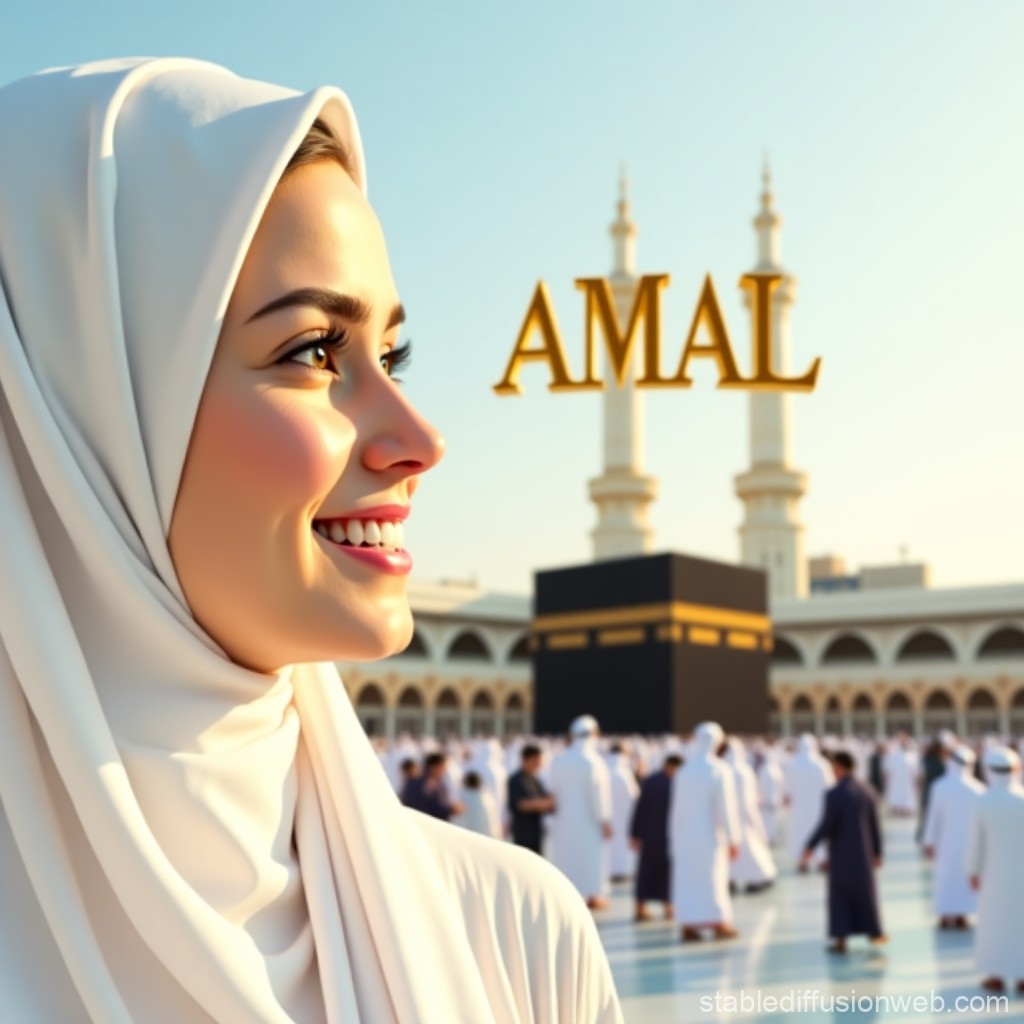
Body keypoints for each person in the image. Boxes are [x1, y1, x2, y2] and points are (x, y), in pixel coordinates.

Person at [0, 58, 623, 1022]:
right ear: (79, 417)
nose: (419, 439)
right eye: (312, 353)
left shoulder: (512, 942)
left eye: (391, 355)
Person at [800, 750, 886, 954]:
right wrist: (877, 852)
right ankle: (874, 931)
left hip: (841, 852)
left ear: (839, 767)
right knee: (866, 894)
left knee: (839, 896)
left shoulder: (834, 794)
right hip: (863, 854)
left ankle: (840, 938)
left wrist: (810, 846)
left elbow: (826, 825)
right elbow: (875, 826)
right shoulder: (868, 791)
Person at [669, 722, 741, 942]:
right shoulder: (719, 770)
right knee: (713, 880)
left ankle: (688, 925)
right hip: (710, 836)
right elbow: (726, 809)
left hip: (684, 837)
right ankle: (719, 923)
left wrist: (673, 838)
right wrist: (733, 838)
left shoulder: (684, 771)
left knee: (689, 881)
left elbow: (676, 809)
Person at [965, 746, 1024, 994]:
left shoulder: (983, 801)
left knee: (994, 923)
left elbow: (975, 841)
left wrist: (972, 870)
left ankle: (996, 975)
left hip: (993, 874)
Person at [547, 715, 614, 910]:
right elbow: (598, 795)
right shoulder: (593, 762)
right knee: (591, 858)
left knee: (566, 857)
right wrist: (604, 820)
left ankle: (567, 895)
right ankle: (594, 895)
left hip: (564, 821)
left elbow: (553, 791)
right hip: (589, 822)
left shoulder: (560, 760)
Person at [922, 744, 984, 929]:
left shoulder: (940, 786)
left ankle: (945, 915)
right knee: (962, 878)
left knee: (945, 879)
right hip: (968, 843)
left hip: (945, 843)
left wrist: (929, 841)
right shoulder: (978, 789)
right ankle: (960, 916)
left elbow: (932, 817)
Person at [629, 753, 682, 922]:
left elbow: (639, 809)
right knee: (659, 872)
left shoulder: (650, 781)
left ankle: (648, 907)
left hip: (651, 835)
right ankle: (664, 908)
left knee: (653, 872)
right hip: (664, 835)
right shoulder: (674, 784)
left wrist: (635, 833)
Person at [721, 737, 777, 892]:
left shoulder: (720, 769)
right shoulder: (744, 771)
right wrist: (756, 822)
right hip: (743, 819)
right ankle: (752, 878)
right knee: (748, 851)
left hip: (727, 820)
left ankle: (737, 879)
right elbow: (748, 802)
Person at [785, 734, 834, 870]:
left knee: (800, 832)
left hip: (799, 807)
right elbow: (829, 785)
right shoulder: (822, 763)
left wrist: (787, 799)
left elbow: (787, 788)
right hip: (818, 806)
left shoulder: (793, 763)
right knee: (819, 831)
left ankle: (803, 861)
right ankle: (822, 860)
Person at [506, 743, 555, 854]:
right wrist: (543, 804)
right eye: (538, 760)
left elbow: (547, 801)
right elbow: (520, 804)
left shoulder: (536, 780)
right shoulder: (516, 780)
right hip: (523, 833)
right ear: (529, 759)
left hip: (537, 833)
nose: (540, 764)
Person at [606, 742, 640, 882]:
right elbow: (634, 797)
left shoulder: (603, 768)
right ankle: (622, 871)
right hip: (625, 816)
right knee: (623, 844)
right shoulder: (624, 772)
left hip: (607, 818)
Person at [401, 752, 464, 822]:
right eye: (442, 767)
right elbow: (423, 808)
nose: (444, 771)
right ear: (434, 767)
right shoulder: (419, 784)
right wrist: (450, 810)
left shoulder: (440, 784)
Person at [454, 771, 502, 839]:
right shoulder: (488, 797)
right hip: (491, 837)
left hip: (474, 838)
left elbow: (461, 822)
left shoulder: (466, 798)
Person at [883, 732, 920, 817]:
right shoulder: (892, 754)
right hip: (895, 783)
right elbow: (887, 771)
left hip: (908, 784)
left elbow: (916, 773)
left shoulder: (912, 755)